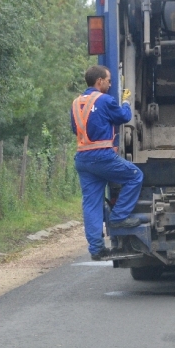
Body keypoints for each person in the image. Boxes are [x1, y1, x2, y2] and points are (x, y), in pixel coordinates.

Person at [72, 65, 144, 261]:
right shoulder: (106, 100)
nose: (110, 84)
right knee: (135, 176)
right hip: (102, 156)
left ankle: (96, 249)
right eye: (109, 80)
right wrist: (127, 102)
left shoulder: (76, 103)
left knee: (91, 203)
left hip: (83, 159)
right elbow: (124, 117)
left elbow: (75, 129)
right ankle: (119, 217)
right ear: (99, 81)